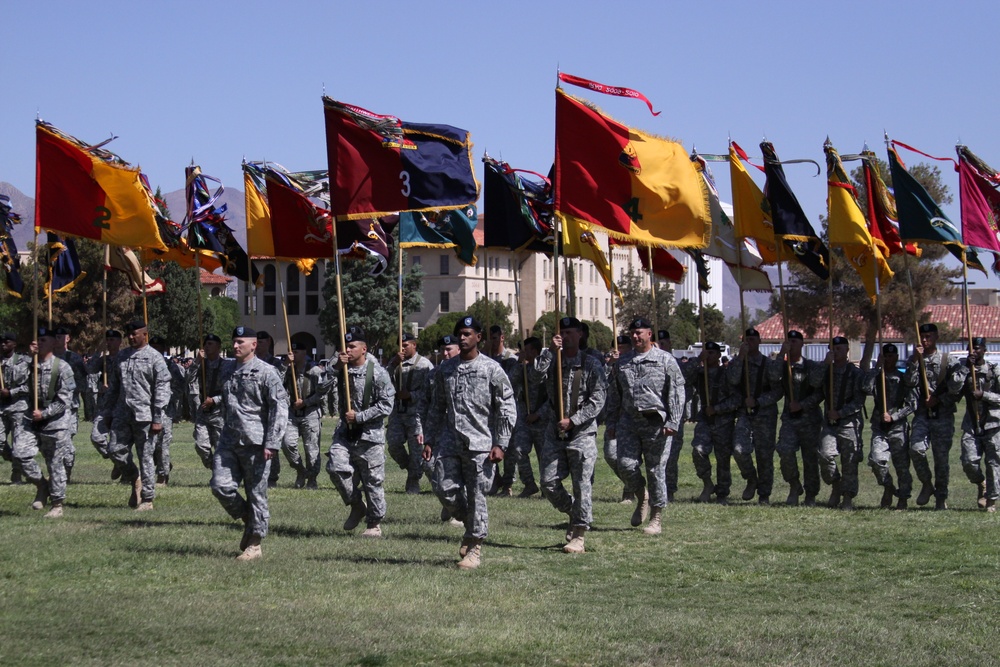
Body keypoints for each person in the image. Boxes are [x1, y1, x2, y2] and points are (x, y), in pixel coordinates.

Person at [423, 316, 516, 569]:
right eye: (459, 334)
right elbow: (437, 407)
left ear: (478, 338)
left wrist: (501, 442)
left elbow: (506, 406)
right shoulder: (446, 369)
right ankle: (470, 525)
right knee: (444, 489)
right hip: (450, 442)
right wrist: (430, 438)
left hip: (481, 444)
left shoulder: (491, 368)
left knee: (477, 496)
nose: (462, 338)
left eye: (467, 334)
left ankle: (475, 547)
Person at [210, 326, 289, 560]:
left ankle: (255, 544)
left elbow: (279, 407)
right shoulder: (226, 369)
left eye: (240, 342)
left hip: (256, 442)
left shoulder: (267, 372)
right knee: (220, 486)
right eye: (234, 342)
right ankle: (249, 518)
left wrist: (273, 442)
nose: (235, 346)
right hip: (229, 440)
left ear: (253, 345)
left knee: (256, 492)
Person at [605, 318, 685, 534]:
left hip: (656, 424)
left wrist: (673, 422)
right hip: (629, 423)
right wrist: (611, 422)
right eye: (632, 333)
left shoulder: (665, 360)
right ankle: (642, 496)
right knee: (625, 465)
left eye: (639, 332)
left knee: (655, 470)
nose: (635, 336)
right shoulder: (623, 362)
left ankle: (656, 518)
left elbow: (677, 392)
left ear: (650, 334)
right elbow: (614, 396)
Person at [534, 317, 606, 551]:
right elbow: (535, 377)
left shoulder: (591, 364)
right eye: (561, 332)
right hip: (555, 431)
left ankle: (580, 534)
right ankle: (574, 511)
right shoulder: (554, 360)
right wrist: (548, 353)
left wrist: (573, 421)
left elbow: (597, 400)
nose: (564, 336)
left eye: (569, 332)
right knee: (548, 482)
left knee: (581, 483)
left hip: (581, 433)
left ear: (580, 335)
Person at [326, 326, 394, 537]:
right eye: (344, 346)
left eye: (352, 346)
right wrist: (336, 368)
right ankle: (356, 504)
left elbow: (386, 404)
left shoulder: (377, 373)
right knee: (335, 467)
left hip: (369, 435)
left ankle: (374, 524)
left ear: (363, 349)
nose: (347, 350)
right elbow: (320, 387)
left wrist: (361, 416)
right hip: (345, 433)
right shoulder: (338, 368)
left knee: (372, 481)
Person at [104, 320, 171, 511]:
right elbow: (114, 387)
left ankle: (147, 499)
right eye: (129, 334)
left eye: (135, 334)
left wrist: (158, 418)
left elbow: (162, 390)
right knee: (115, 450)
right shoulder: (122, 356)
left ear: (144, 334)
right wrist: (107, 411)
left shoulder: (155, 358)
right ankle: (134, 478)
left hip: (145, 416)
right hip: (122, 413)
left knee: (146, 457)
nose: (131, 337)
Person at [16, 328, 77, 517]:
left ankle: (57, 504)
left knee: (55, 463)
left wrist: (44, 414)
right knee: (20, 454)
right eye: (37, 340)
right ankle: (42, 485)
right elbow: (16, 381)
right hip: (31, 418)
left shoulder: (62, 367)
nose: (39, 343)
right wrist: (28, 357)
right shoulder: (29, 363)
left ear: (53, 343)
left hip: (55, 421)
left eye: (43, 340)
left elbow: (65, 399)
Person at [907, 323, 961, 510]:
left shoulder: (949, 361)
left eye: (929, 336)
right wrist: (915, 360)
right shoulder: (915, 359)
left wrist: (939, 399)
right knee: (915, 449)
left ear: (937, 337)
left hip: (943, 416)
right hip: (922, 414)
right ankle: (927, 484)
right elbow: (909, 382)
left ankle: (941, 497)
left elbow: (957, 390)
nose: (925, 339)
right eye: (922, 336)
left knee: (941, 460)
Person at [727, 328, 782, 504]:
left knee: (764, 455)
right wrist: (740, 358)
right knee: (739, 449)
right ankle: (751, 478)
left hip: (765, 414)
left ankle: (764, 493)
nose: (749, 343)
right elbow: (733, 380)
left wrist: (759, 401)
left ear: (759, 342)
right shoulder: (738, 362)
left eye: (752, 339)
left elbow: (777, 391)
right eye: (746, 340)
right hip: (745, 413)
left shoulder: (767, 364)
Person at [811, 336, 865, 510]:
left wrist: (840, 413)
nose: (836, 352)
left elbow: (859, 402)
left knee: (850, 461)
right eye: (833, 349)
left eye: (840, 349)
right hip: (830, 423)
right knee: (825, 455)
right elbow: (814, 382)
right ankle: (835, 484)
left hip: (849, 422)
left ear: (847, 350)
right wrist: (825, 364)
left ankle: (847, 497)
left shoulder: (855, 373)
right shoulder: (827, 370)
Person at [863, 344, 917, 510]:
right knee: (876, 459)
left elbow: (912, 404)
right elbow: (865, 388)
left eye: (892, 356)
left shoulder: (903, 379)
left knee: (902, 466)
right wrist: (876, 368)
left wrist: (894, 416)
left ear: (896, 357)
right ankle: (887, 486)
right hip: (880, 427)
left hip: (898, 427)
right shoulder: (877, 376)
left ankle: (903, 497)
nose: (889, 359)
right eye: (886, 356)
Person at [773, 331, 824, 506]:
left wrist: (803, 404)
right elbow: (772, 377)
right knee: (784, 450)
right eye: (788, 342)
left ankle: (811, 494)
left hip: (810, 419)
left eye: (794, 341)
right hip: (790, 419)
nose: (791, 344)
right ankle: (794, 485)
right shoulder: (782, 365)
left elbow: (819, 392)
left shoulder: (811, 366)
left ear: (802, 344)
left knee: (810, 458)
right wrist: (781, 354)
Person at [950, 337, 1000, 512]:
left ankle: (991, 500)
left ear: (985, 350)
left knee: (994, 463)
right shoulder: (963, 370)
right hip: (972, 423)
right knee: (968, 461)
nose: (974, 351)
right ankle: (981, 483)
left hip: (993, 424)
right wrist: (965, 368)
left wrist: (984, 395)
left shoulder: (994, 371)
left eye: (977, 348)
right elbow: (953, 389)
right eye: (970, 348)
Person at [685, 342, 739, 504]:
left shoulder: (726, 374)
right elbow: (685, 377)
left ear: (718, 355)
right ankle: (707, 483)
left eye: (711, 353)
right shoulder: (700, 373)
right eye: (706, 353)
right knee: (698, 450)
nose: (708, 356)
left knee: (723, 459)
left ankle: (722, 492)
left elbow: (736, 399)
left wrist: (717, 409)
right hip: (705, 420)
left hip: (723, 421)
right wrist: (697, 359)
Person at [385, 332, 434, 494]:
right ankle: (409, 467)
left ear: (414, 345)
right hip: (398, 413)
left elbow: (431, 393)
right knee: (393, 444)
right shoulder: (396, 364)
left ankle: (413, 481)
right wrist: (393, 363)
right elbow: (383, 381)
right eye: (400, 346)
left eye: (406, 345)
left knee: (416, 451)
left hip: (416, 415)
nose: (403, 349)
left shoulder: (425, 365)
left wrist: (411, 395)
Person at [281, 341, 330, 489]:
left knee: (311, 449)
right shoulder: (289, 370)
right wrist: (284, 365)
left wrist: (306, 402)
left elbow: (323, 392)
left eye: (296, 352)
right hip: (292, 413)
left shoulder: (314, 370)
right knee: (287, 443)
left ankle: (312, 479)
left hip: (310, 413)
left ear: (304, 353)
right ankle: (300, 470)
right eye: (291, 352)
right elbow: (277, 384)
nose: (293, 355)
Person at [502, 336, 545, 498]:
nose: (524, 353)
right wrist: (520, 364)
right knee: (519, 450)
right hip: (524, 415)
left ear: (534, 351)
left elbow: (550, 396)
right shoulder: (522, 368)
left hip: (541, 417)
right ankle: (529, 483)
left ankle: (547, 487)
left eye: (527, 351)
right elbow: (510, 382)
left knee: (543, 456)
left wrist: (538, 414)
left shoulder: (543, 368)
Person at [487, 324, 519, 496]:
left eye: (494, 338)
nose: (491, 342)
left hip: (505, 408)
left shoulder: (509, 359)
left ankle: (508, 484)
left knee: (508, 447)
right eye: (488, 338)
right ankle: (494, 479)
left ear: (501, 338)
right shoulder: (485, 358)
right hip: (489, 411)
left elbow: (510, 384)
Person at [150, 335, 185, 486]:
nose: (156, 351)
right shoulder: (147, 364)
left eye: (159, 348)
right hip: (147, 409)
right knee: (150, 445)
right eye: (153, 348)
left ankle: (162, 476)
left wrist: (165, 397)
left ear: (164, 349)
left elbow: (179, 387)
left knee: (163, 444)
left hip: (166, 410)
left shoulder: (171, 366)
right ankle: (163, 465)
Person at [187, 333, 225, 472]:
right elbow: (188, 379)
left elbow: (231, 390)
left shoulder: (225, 366)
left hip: (220, 413)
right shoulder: (201, 364)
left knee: (221, 448)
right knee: (201, 446)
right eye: (205, 344)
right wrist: (196, 362)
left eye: (210, 344)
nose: (207, 347)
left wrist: (215, 400)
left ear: (218, 347)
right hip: (203, 412)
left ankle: (222, 474)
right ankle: (215, 469)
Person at [87, 330, 123, 471]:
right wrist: (98, 351)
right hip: (105, 405)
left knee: (119, 442)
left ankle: (123, 466)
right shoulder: (104, 360)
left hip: (120, 405)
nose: (109, 342)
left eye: (112, 340)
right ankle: (116, 460)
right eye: (107, 339)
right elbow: (90, 369)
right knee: (96, 437)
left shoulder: (124, 358)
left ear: (119, 342)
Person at [604, 334, 634, 504]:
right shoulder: (610, 365)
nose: (621, 351)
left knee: (628, 458)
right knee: (611, 454)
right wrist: (611, 364)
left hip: (631, 417)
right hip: (614, 416)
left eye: (624, 348)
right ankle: (633, 483)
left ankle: (629, 492)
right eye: (617, 349)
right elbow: (601, 382)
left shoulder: (633, 363)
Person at [255, 330, 286, 487]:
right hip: (256, 409)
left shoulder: (276, 363)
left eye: (262, 342)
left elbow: (281, 382)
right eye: (257, 341)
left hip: (271, 407)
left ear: (268, 343)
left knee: (271, 441)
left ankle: (273, 476)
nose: (258, 344)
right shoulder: (251, 362)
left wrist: (287, 366)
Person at [1, 332, 29, 484]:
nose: (3, 344)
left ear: (14, 344)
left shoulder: (23, 362)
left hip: (18, 408)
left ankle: (17, 473)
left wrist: (11, 392)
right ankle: (15, 461)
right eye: (1, 342)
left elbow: (30, 386)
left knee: (19, 445)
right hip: (1, 408)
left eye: (6, 341)